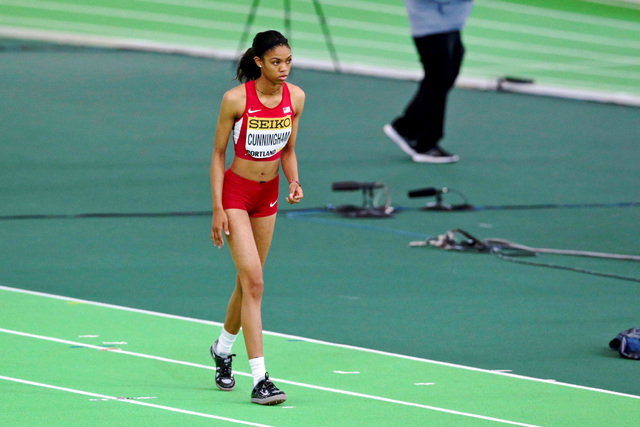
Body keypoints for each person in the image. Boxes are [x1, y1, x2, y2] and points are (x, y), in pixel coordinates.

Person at [209, 30, 305, 405]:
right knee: (255, 282)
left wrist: (294, 180)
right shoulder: (235, 100)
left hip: (268, 197)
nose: (284, 69)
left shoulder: (295, 97)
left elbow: (289, 150)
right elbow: (218, 155)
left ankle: (222, 349)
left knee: (248, 283)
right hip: (236, 194)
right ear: (258, 62)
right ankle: (261, 378)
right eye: (276, 62)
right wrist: (217, 207)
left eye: (288, 61)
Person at [384, 0, 473, 163]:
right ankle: (425, 143)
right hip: (430, 26)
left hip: (448, 23)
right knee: (438, 79)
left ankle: (407, 127)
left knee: (444, 77)